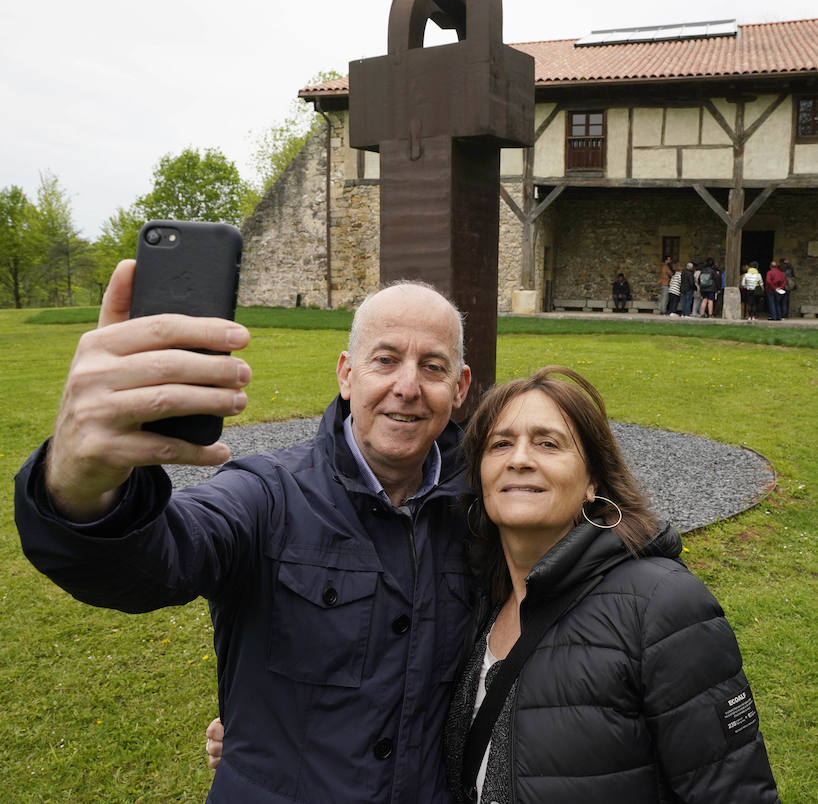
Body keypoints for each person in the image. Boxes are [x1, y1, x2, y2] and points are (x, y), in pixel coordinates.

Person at [15, 260, 473, 803]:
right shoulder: (266, 494)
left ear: (460, 387)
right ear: (347, 375)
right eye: (386, 360)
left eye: (433, 366)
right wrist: (80, 484)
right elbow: (155, 559)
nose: (407, 386)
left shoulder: (482, 513)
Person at [443, 366, 781, 804]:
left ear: (592, 482)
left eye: (548, 443)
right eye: (500, 444)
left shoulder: (663, 607)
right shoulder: (480, 601)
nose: (519, 458)